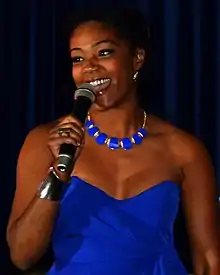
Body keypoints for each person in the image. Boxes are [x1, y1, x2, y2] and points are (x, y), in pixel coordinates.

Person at [6, 5, 220, 275]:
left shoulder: (184, 150)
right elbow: (22, 256)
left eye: (104, 53)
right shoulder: (44, 142)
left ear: (137, 58)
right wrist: (59, 174)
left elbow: (209, 259)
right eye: (77, 59)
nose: (90, 68)